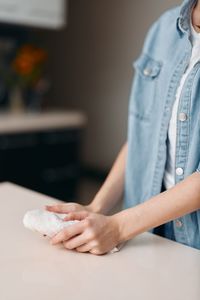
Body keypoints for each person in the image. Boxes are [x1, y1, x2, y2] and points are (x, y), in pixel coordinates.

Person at [46, 0, 200, 255]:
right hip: (149, 234)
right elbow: (144, 139)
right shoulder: (163, 30)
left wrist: (118, 227)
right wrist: (97, 207)